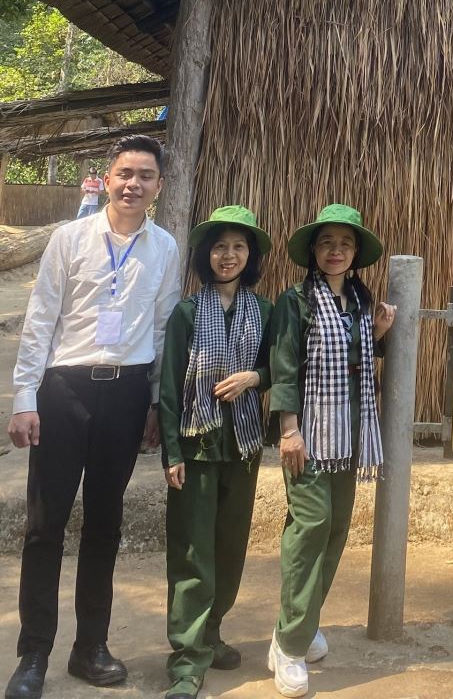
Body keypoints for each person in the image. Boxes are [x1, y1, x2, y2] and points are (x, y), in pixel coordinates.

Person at [5, 134, 180, 699]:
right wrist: (25, 398)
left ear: (158, 186)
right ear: (107, 180)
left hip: (125, 396)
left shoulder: (165, 249)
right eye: (125, 173)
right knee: (44, 526)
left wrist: (154, 402)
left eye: (145, 176)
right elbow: (41, 318)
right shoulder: (69, 239)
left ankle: (91, 647)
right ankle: (34, 654)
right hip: (64, 392)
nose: (133, 184)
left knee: (105, 524)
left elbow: (161, 328)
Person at [267, 203, 395, 698]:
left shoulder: (361, 302)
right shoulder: (295, 301)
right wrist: (289, 429)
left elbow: (357, 359)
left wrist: (377, 335)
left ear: (356, 252)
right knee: (311, 526)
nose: (335, 251)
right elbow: (284, 365)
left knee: (337, 527)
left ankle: (296, 625)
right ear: (313, 251)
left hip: (350, 435)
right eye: (326, 242)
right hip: (310, 433)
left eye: (345, 243)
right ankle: (291, 648)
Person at [158, 206, 274, 699]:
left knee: (229, 548)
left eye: (238, 247)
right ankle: (187, 660)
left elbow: (280, 366)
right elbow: (168, 388)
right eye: (220, 247)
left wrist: (254, 377)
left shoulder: (264, 312)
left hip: (242, 449)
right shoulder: (187, 313)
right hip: (196, 447)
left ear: (250, 256)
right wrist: (171, 452)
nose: (229, 256)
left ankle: (210, 632)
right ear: (207, 255)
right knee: (192, 551)